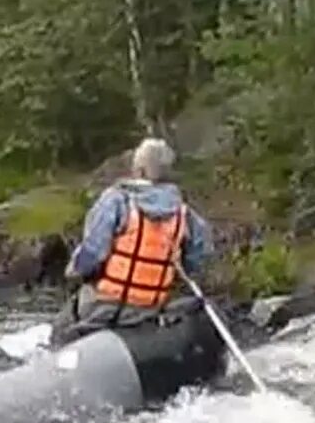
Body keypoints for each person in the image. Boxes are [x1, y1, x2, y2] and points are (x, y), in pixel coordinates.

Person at [66, 136, 214, 328]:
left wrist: (74, 270)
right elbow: (198, 258)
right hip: (149, 308)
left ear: (139, 170)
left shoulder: (117, 200)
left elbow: (94, 252)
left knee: (66, 319)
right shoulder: (185, 213)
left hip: (104, 306)